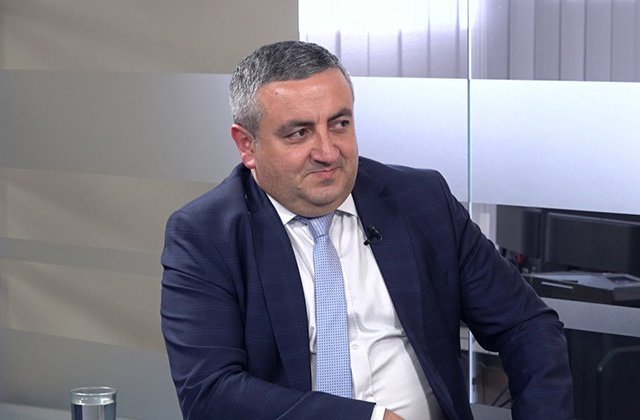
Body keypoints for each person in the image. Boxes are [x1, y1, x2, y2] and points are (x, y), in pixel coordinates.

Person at [161, 40, 574, 420]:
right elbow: (209, 392)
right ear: (247, 145)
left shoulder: (421, 201)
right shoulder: (206, 235)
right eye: (299, 133)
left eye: (339, 124)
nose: (328, 152)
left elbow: (527, 325)